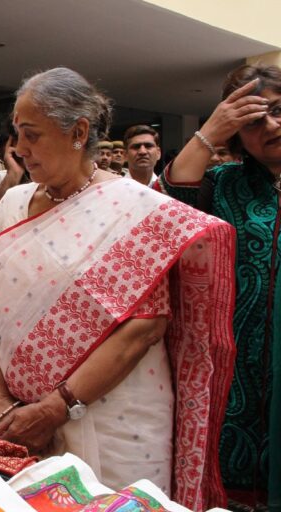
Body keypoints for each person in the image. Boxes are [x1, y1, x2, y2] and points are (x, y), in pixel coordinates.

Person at [0, 67, 235, 510]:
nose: (19, 148)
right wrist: (0, 402)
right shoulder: (13, 202)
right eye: (16, 133)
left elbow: (143, 328)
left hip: (117, 419)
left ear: (79, 132)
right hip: (15, 417)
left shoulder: (136, 210)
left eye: (31, 134)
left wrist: (54, 408)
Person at [157, 64, 281, 511]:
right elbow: (169, 208)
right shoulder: (223, 186)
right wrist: (210, 130)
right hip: (237, 373)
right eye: (251, 121)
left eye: (279, 111)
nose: (269, 125)